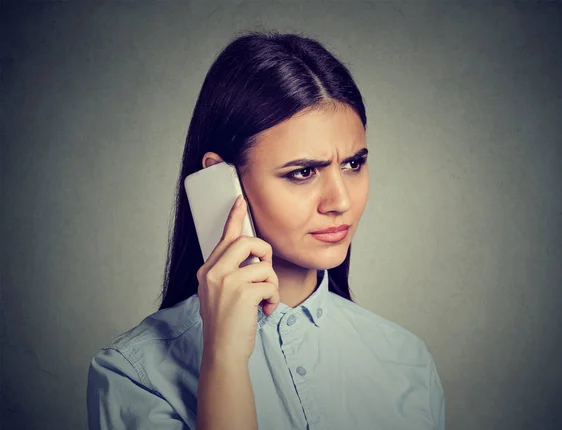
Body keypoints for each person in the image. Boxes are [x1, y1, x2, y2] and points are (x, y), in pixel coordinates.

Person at [86, 29, 445, 430]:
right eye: (304, 172)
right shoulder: (136, 374)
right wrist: (224, 361)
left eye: (353, 164)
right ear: (220, 178)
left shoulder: (405, 361)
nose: (340, 201)